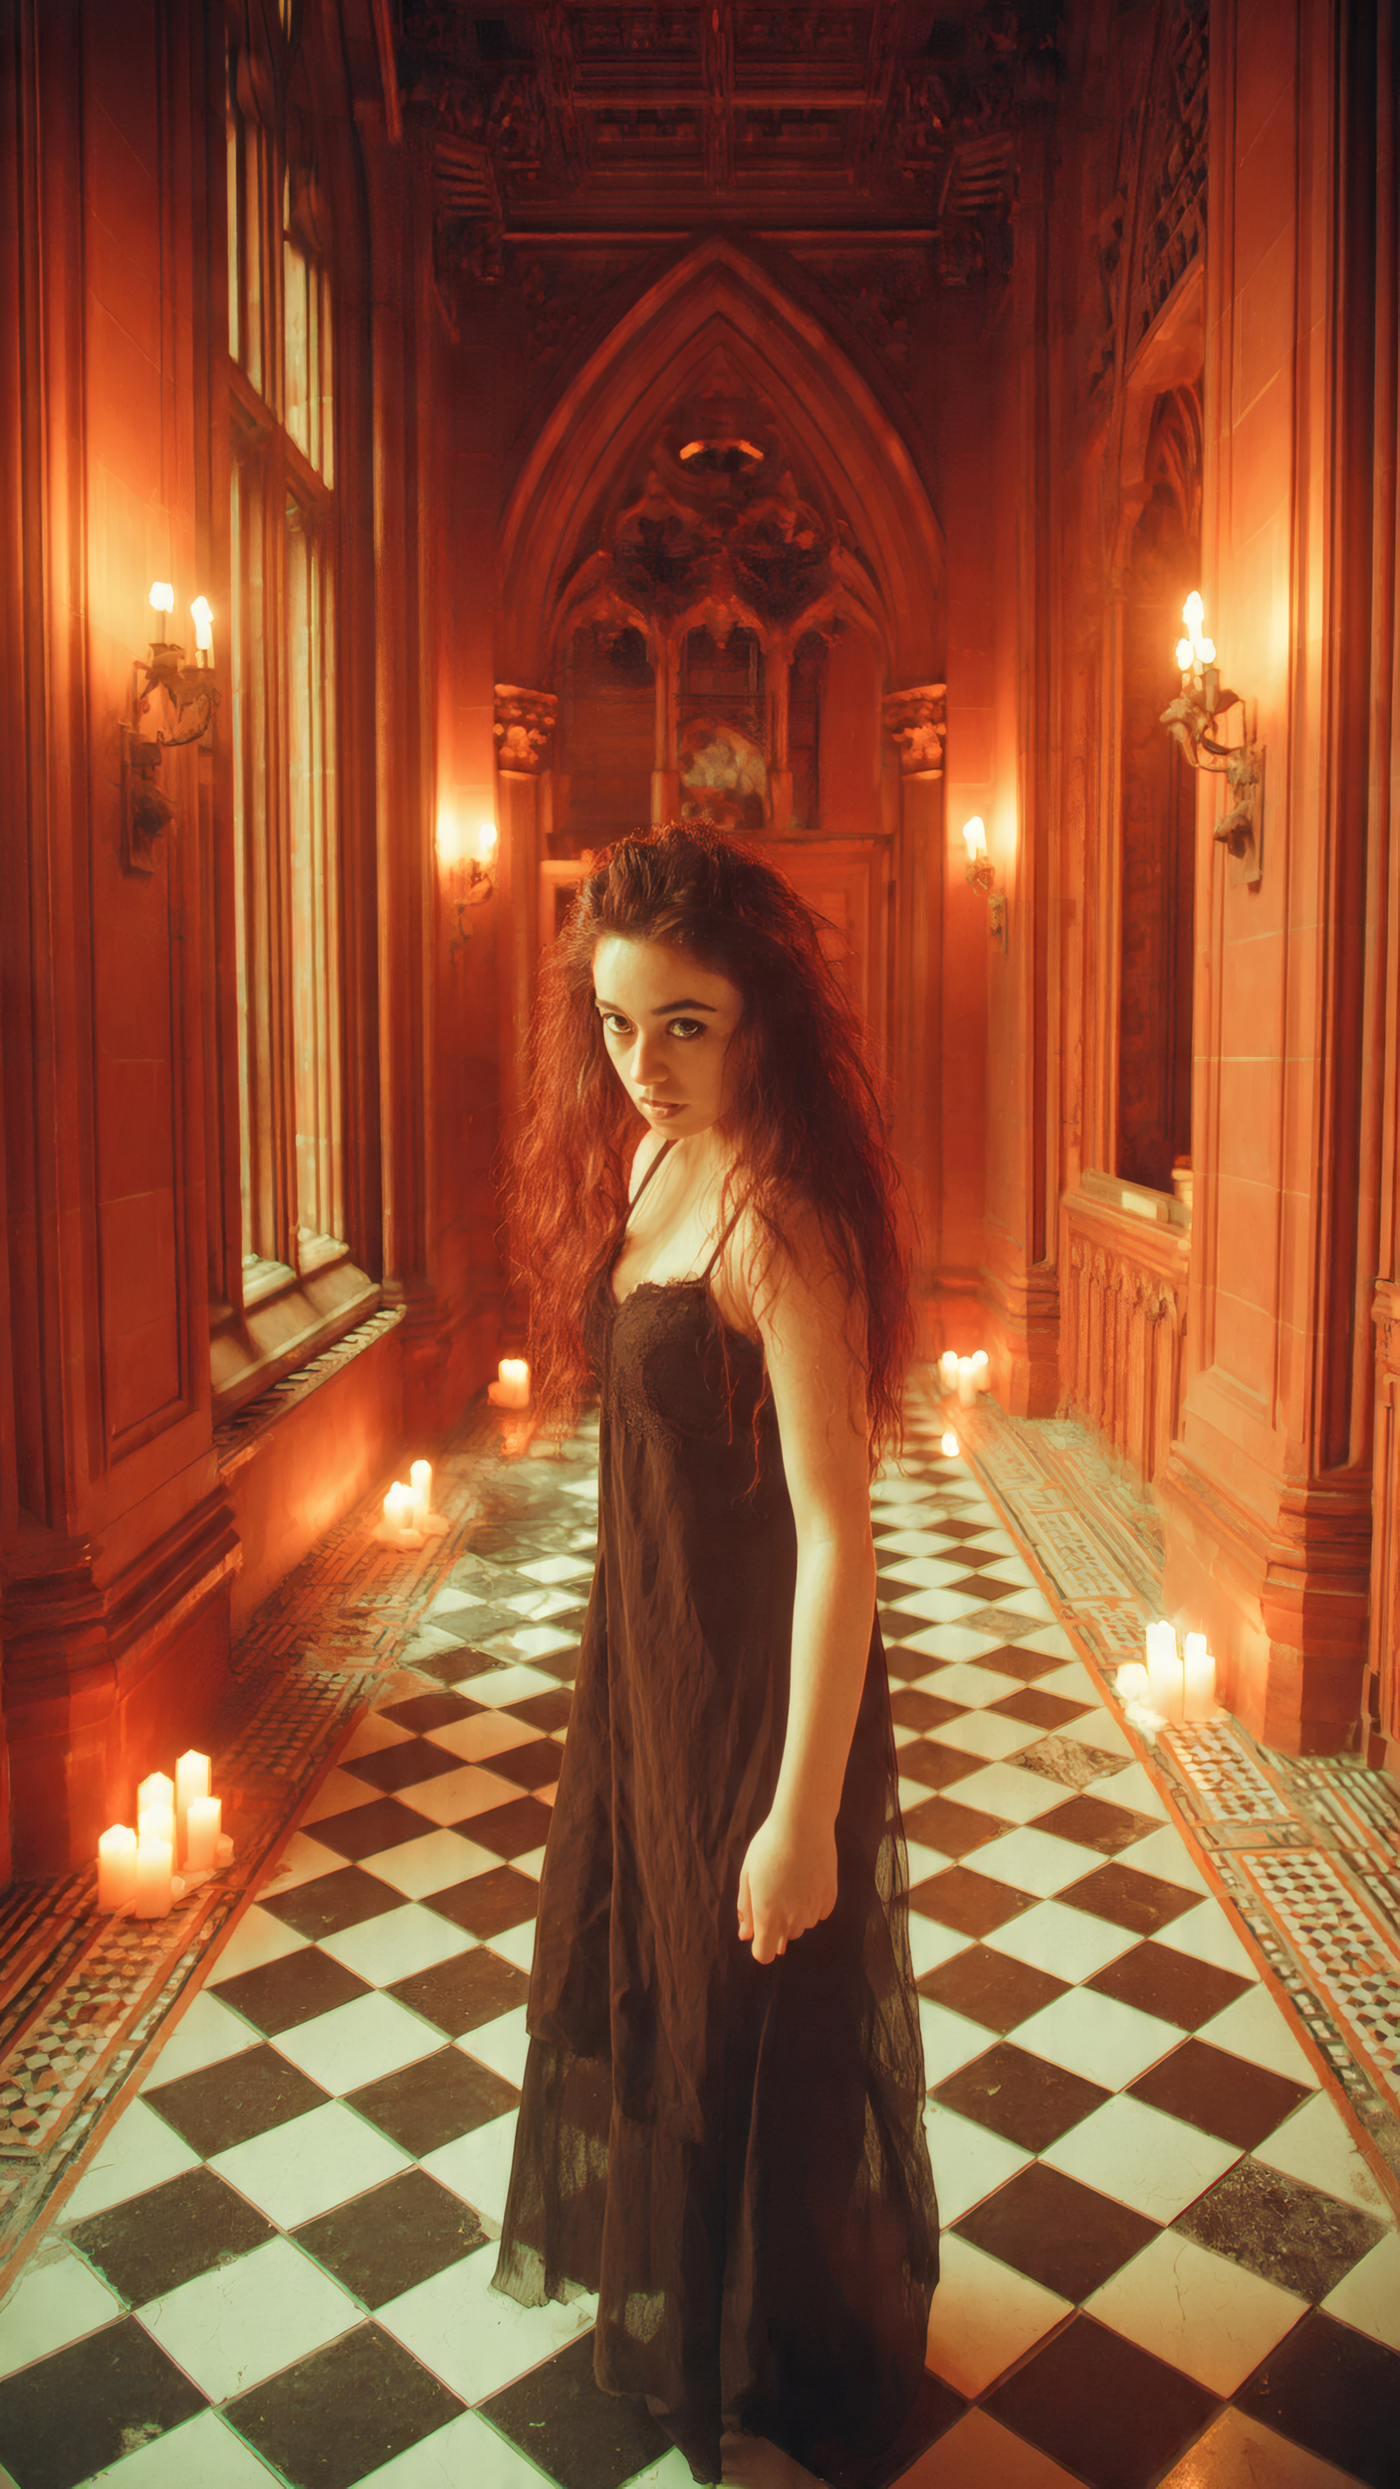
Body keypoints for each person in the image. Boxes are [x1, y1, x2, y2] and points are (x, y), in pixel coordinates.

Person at [491, 822, 938, 2489]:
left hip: (768, 1697)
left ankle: (783, 2357)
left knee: (764, 2019)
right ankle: (702, 2315)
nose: (643, 1063)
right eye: (616, 1023)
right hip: (656, 1669)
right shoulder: (645, 1167)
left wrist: (804, 1811)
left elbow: (840, 1539)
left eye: (683, 1021)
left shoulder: (780, 1222)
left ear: (759, 1012)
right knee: (669, 1991)